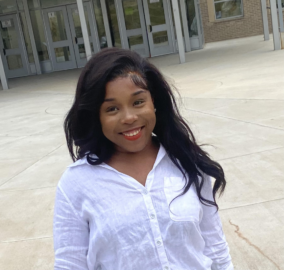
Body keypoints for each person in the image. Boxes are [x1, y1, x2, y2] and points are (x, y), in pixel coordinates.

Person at [53, 48, 234, 270]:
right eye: (112, 109)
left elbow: (214, 247)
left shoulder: (187, 161)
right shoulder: (76, 184)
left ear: (154, 102)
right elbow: (70, 265)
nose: (129, 117)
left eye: (138, 102)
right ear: (96, 116)